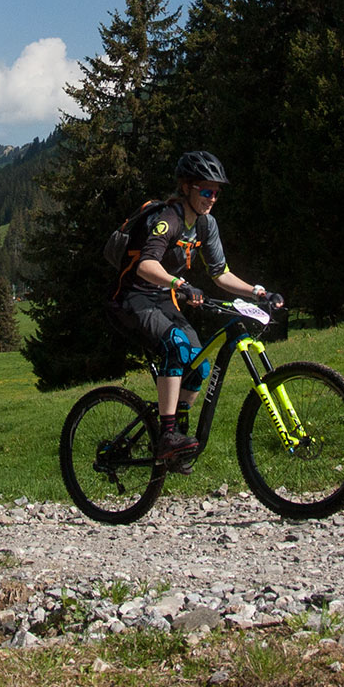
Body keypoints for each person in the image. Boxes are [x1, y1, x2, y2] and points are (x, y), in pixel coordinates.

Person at [107, 151, 283, 468]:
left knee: (199, 365)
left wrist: (258, 291)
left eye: (216, 192)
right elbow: (146, 265)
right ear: (187, 187)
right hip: (133, 297)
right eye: (206, 190)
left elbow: (220, 274)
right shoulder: (167, 219)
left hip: (165, 298)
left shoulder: (205, 225)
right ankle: (167, 436)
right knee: (176, 346)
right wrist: (181, 285)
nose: (212, 198)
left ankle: (178, 438)